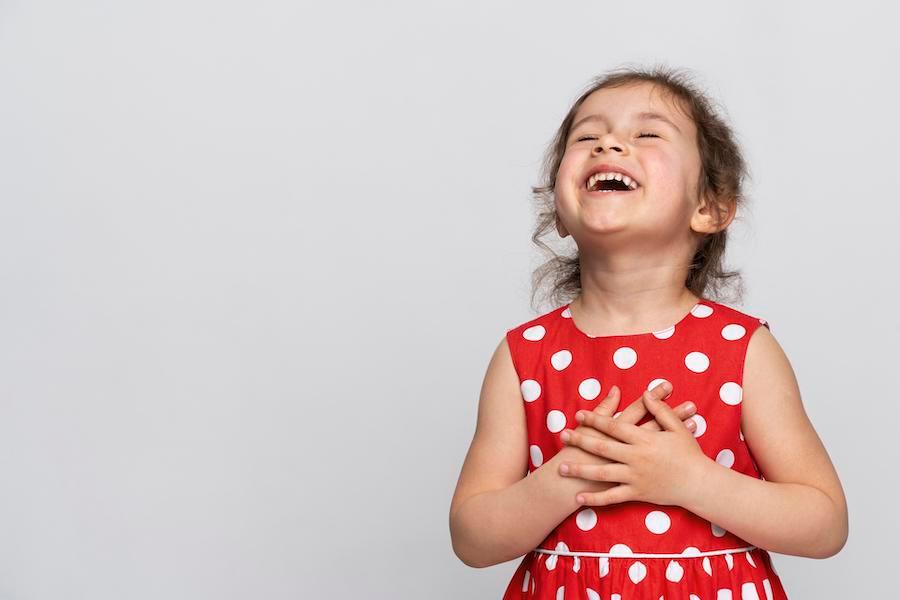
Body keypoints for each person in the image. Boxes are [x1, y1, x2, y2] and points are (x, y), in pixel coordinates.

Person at [448, 65, 848, 600]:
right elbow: (471, 538)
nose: (608, 143)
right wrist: (573, 476)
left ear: (709, 207)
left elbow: (824, 523)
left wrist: (693, 481)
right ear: (560, 213)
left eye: (647, 134)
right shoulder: (525, 356)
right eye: (586, 136)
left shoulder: (742, 349)